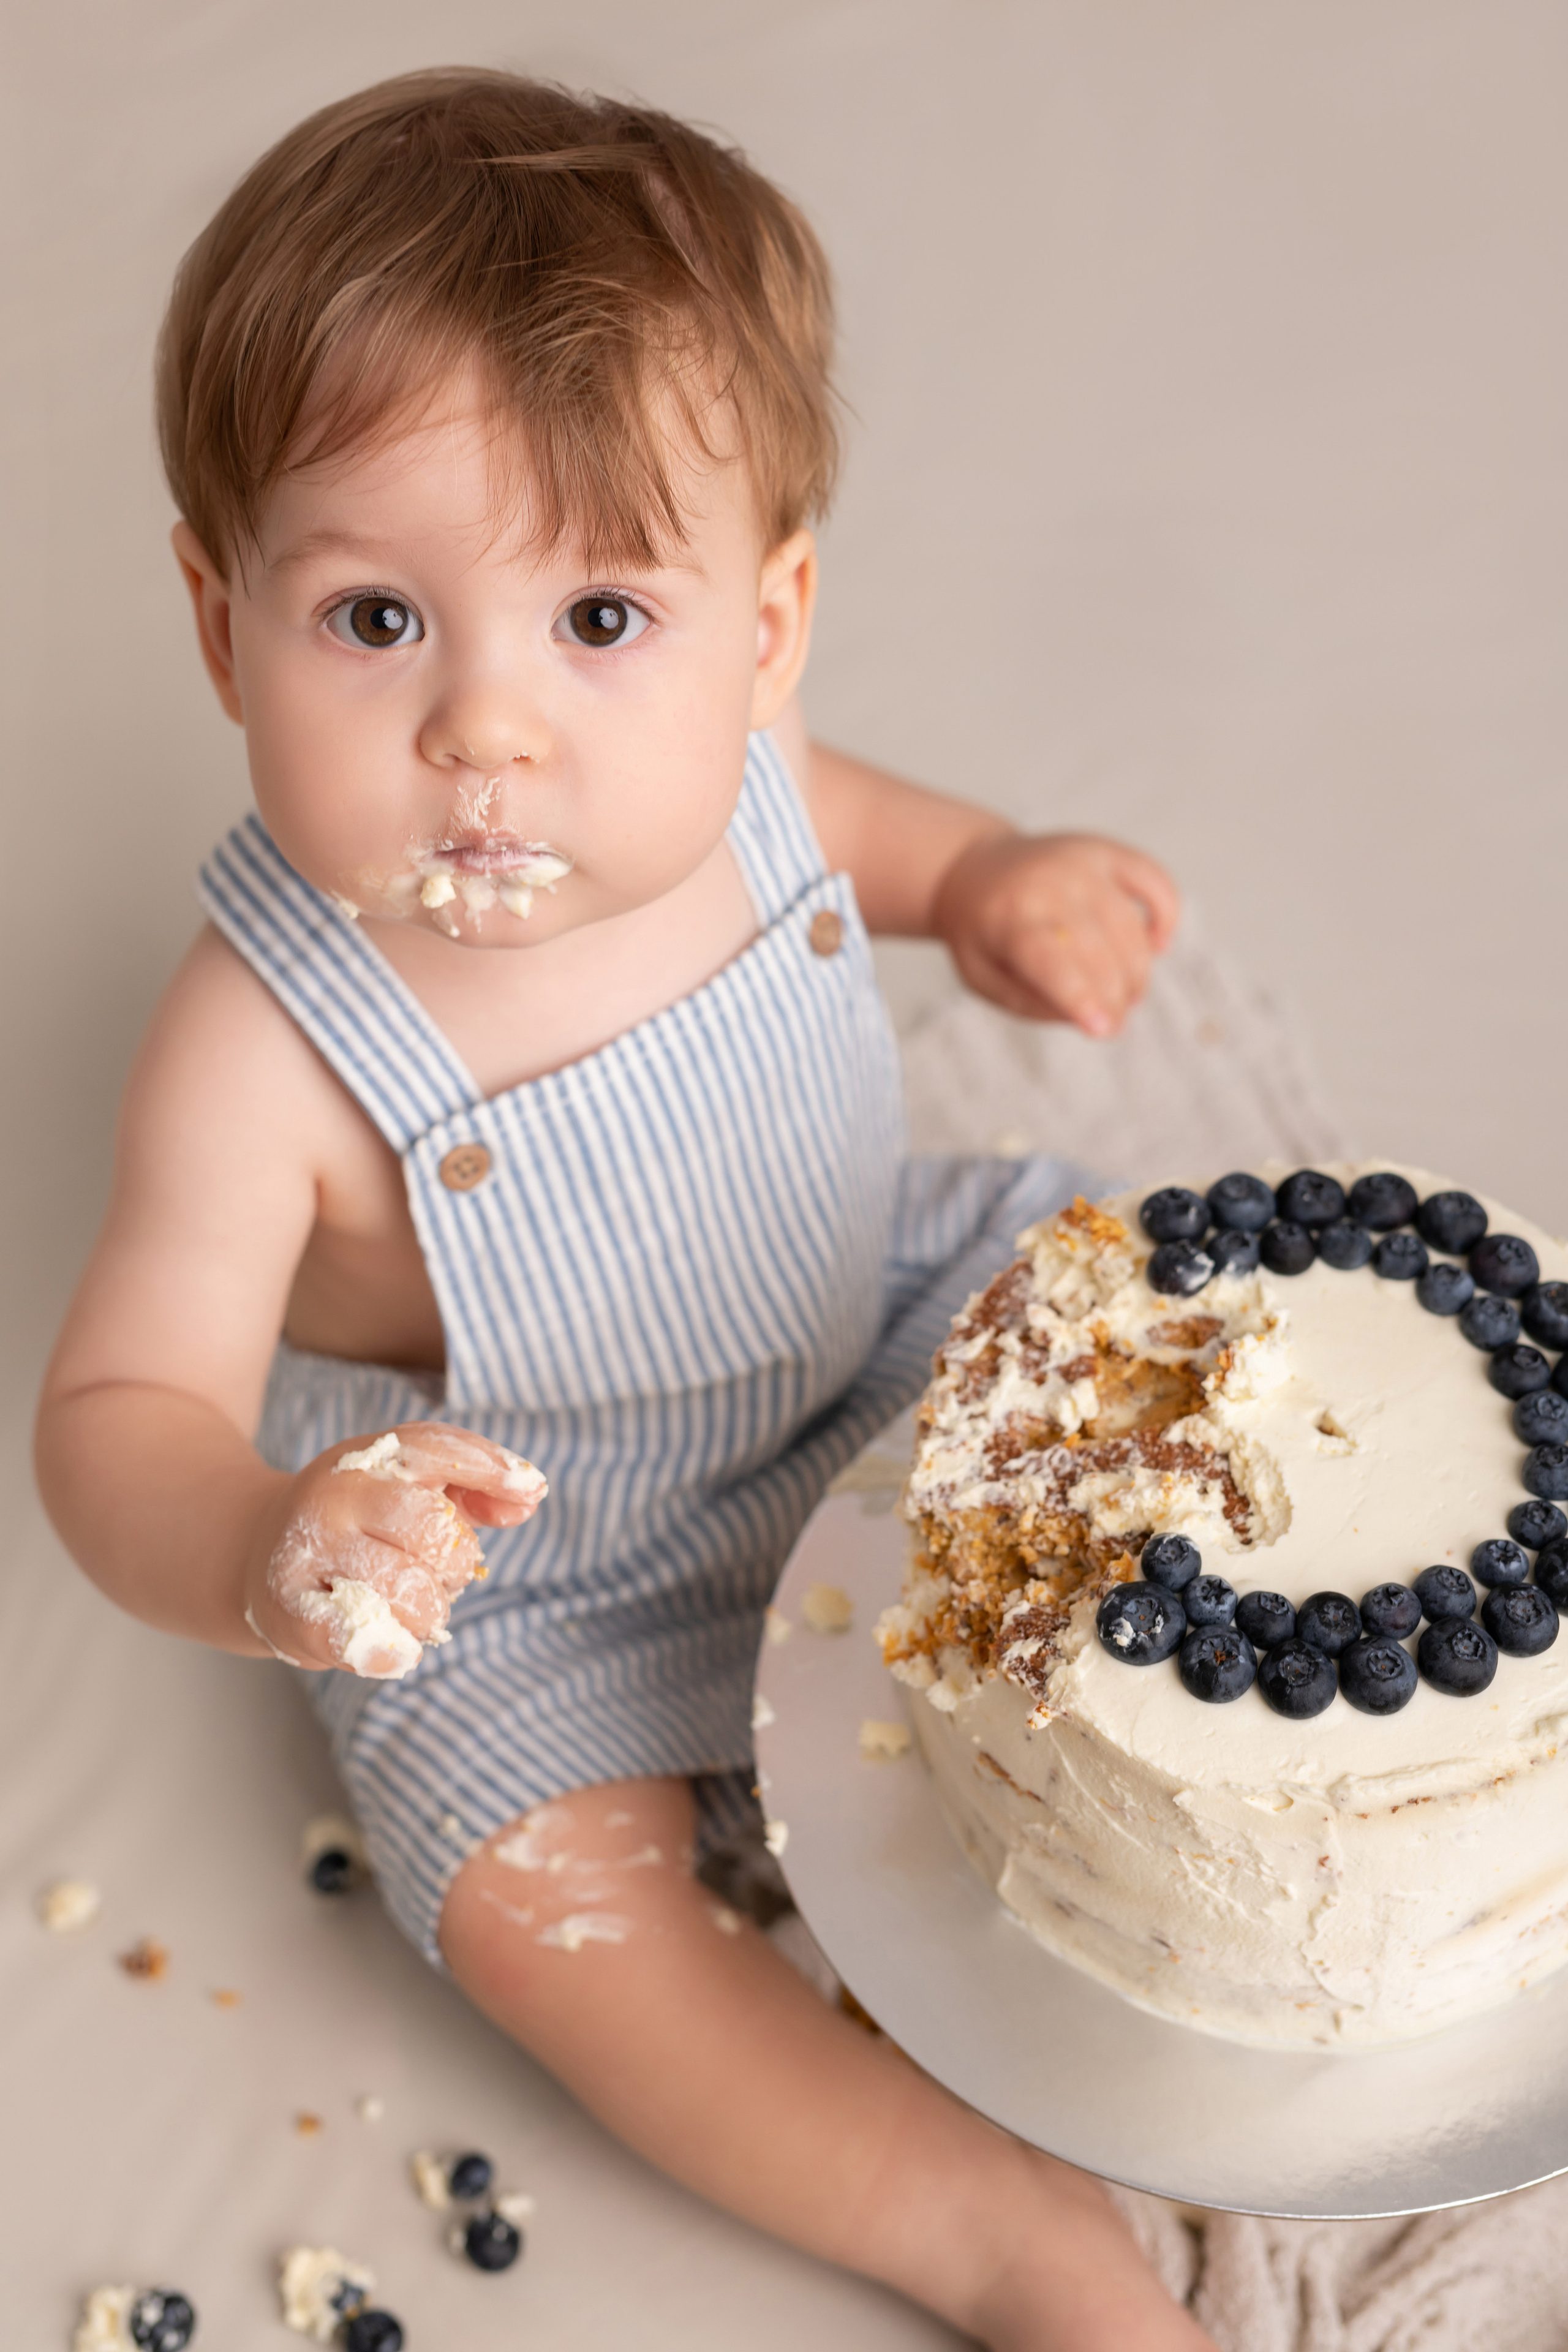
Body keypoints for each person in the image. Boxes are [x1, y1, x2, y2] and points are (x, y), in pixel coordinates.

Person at [35, 70, 1208, 2349]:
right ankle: (993, 2237)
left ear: (766, 630)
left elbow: (901, 844)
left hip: (862, 1332)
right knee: (534, 1908)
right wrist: (271, 1538)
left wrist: (994, 886)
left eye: (598, 618)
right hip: (533, 1565)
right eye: (376, 623)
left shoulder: (761, 782)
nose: (492, 728)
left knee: (1166, 1342)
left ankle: (1240, 1868)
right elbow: (112, 1411)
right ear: (220, 626)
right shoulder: (262, 1045)